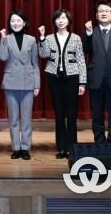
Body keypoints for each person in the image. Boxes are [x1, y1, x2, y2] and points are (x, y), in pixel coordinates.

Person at [39, 8, 86, 159]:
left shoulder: (76, 38)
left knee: (71, 115)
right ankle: (61, 148)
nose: (61, 21)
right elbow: (43, 54)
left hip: (72, 78)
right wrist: (41, 38)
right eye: (58, 18)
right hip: (54, 78)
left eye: (64, 18)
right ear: (54, 21)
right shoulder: (49, 38)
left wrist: (82, 83)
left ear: (69, 21)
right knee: (59, 114)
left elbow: (81, 59)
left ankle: (72, 148)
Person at [82, 1, 111, 144]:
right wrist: (88, 33)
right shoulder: (91, 32)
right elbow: (84, 50)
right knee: (97, 114)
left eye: (107, 10)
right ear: (97, 15)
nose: (103, 13)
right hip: (96, 79)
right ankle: (99, 143)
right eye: (100, 11)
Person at [0, 10, 40, 160]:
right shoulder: (7, 38)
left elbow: (35, 63)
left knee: (26, 118)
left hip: (28, 82)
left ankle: (25, 148)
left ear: (24, 22)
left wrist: (37, 84)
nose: (15, 23)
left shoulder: (32, 39)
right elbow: (3, 57)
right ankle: (16, 148)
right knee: (14, 118)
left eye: (18, 20)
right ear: (9, 23)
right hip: (11, 82)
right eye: (12, 21)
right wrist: (3, 39)